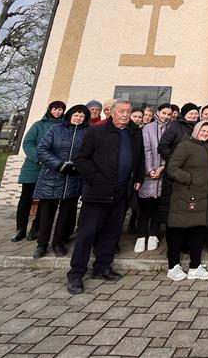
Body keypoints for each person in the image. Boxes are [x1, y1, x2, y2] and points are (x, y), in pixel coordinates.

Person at [67, 100, 144, 295]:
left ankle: (102, 266)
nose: (125, 115)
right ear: (112, 113)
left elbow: (139, 157)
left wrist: (138, 177)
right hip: (97, 191)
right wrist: (95, 178)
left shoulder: (134, 133)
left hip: (121, 190)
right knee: (87, 232)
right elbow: (81, 159)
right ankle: (76, 273)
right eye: (122, 111)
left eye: (128, 111)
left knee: (112, 231)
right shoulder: (96, 132)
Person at [33, 104, 89, 258]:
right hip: (52, 176)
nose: (78, 118)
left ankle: (59, 242)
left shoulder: (87, 132)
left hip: (74, 178)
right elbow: (42, 150)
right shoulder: (56, 129)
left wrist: (78, 166)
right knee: (46, 214)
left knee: (66, 214)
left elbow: (90, 152)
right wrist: (59, 164)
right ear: (70, 115)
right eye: (76, 115)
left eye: (82, 116)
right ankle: (41, 244)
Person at [165, 121, 208, 281]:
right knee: (178, 230)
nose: (206, 133)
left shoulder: (206, 147)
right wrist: (189, 179)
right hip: (186, 196)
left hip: (202, 197)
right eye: (203, 130)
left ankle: (195, 267)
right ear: (196, 130)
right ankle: (173, 266)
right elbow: (172, 168)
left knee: (198, 232)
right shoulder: (185, 145)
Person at [12, 100, 65, 242]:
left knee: (45, 200)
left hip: (51, 167)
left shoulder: (64, 126)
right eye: (55, 109)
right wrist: (39, 158)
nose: (57, 112)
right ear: (50, 110)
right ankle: (20, 228)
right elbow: (28, 143)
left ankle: (36, 228)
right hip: (34, 166)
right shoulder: (39, 125)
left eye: (60, 110)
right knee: (26, 198)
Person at [157, 103, 199, 226]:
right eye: (191, 113)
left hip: (192, 171)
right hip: (175, 171)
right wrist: (174, 161)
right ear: (184, 114)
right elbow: (163, 145)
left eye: (196, 113)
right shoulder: (175, 126)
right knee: (172, 201)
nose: (193, 116)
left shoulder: (199, 126)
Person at [136, 103, 170, 253]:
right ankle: (141, 235)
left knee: (158, 207)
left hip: (164, 172)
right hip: (148, 173)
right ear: (158, 113)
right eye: (164, 113)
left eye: (169, 114)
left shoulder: (171, 128)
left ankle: (153, 234)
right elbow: (146, 149)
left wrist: (163, 167)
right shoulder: (148, 128)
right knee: (144, 206)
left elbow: (171, 150)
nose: (166, 116)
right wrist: (150, 170)